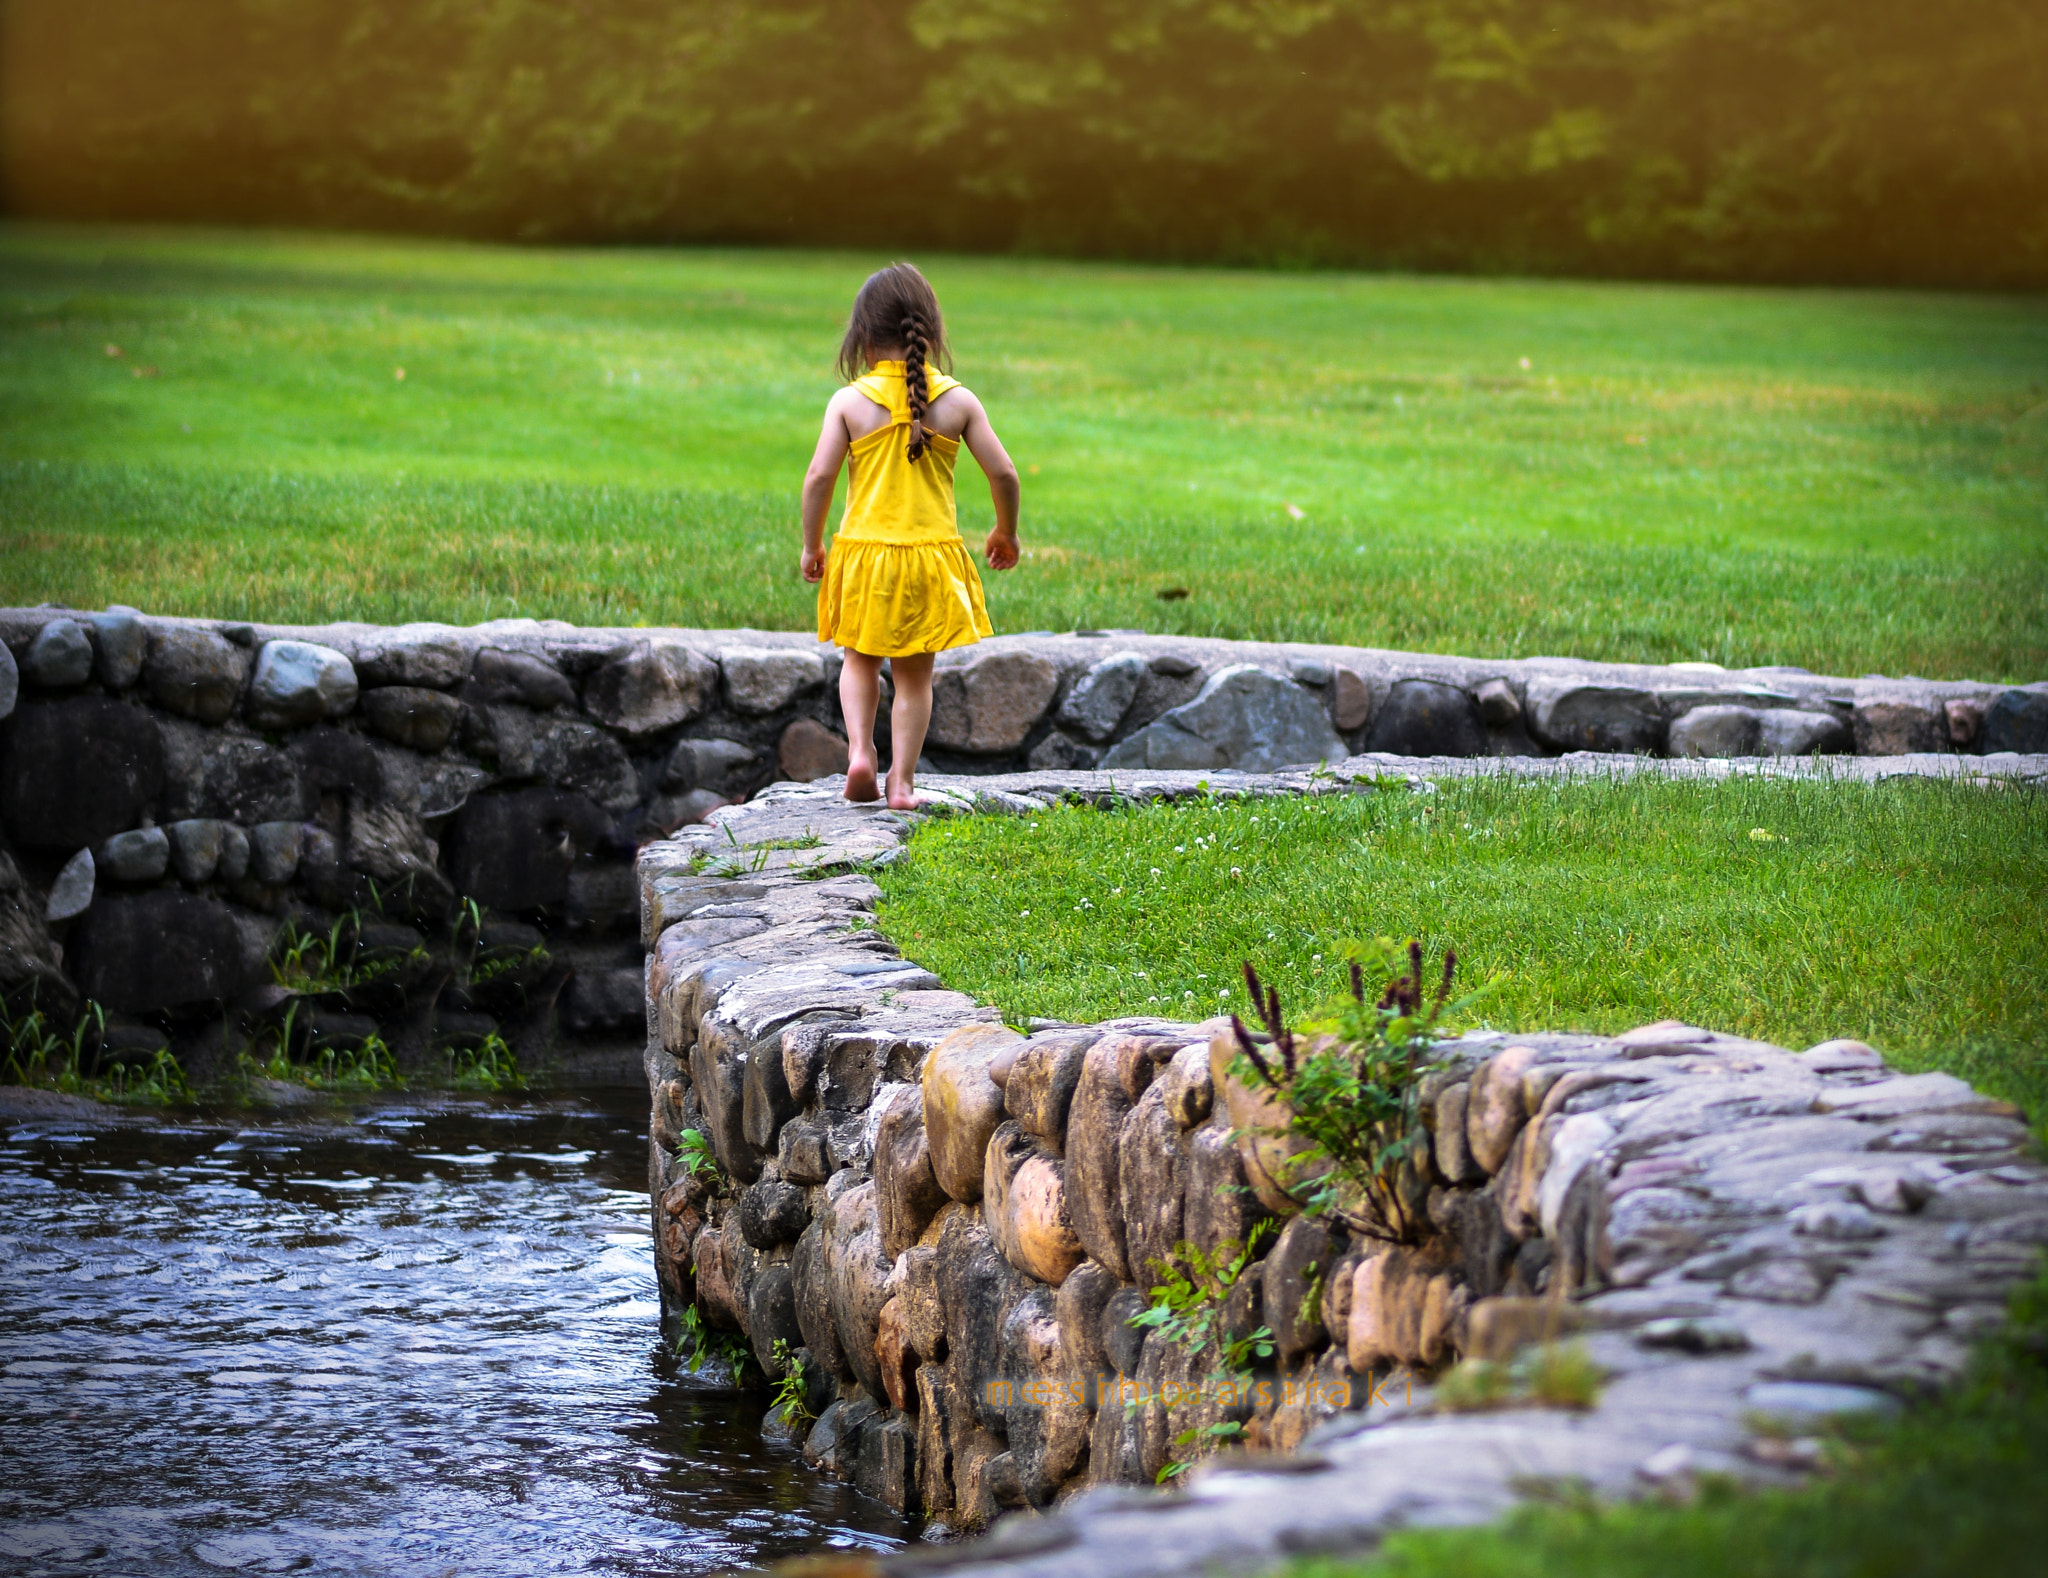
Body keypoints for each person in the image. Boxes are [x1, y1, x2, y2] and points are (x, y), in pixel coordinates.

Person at [801, 262, 1021, 808]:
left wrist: (812, 543)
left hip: (864, 556)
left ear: (862, 336)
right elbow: (1005, 475)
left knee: (859, 661)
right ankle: (901, 781)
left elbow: (819, 477)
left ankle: (858, 754)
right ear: (928, 330)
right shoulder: (958, 401)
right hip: (928, 560)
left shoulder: (849, 402)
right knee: (915, 680)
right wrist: (1005, 531)